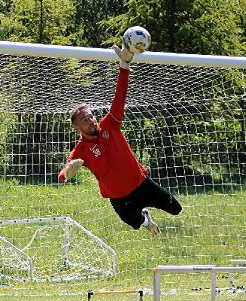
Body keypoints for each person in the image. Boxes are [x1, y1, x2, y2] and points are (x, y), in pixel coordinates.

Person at [58, 42, 182, 236]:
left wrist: (124, 67)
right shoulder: (80, 150)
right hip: (119, 199)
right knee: (135, 222)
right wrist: (68, 172)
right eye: (85, 120)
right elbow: (62, 175)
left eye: (91, 116)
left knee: (176, 208)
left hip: (142, 185)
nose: (91, 120)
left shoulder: (110, 124)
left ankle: (147, 211)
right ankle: (145, 218)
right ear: (77, 128)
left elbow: (119, 98)